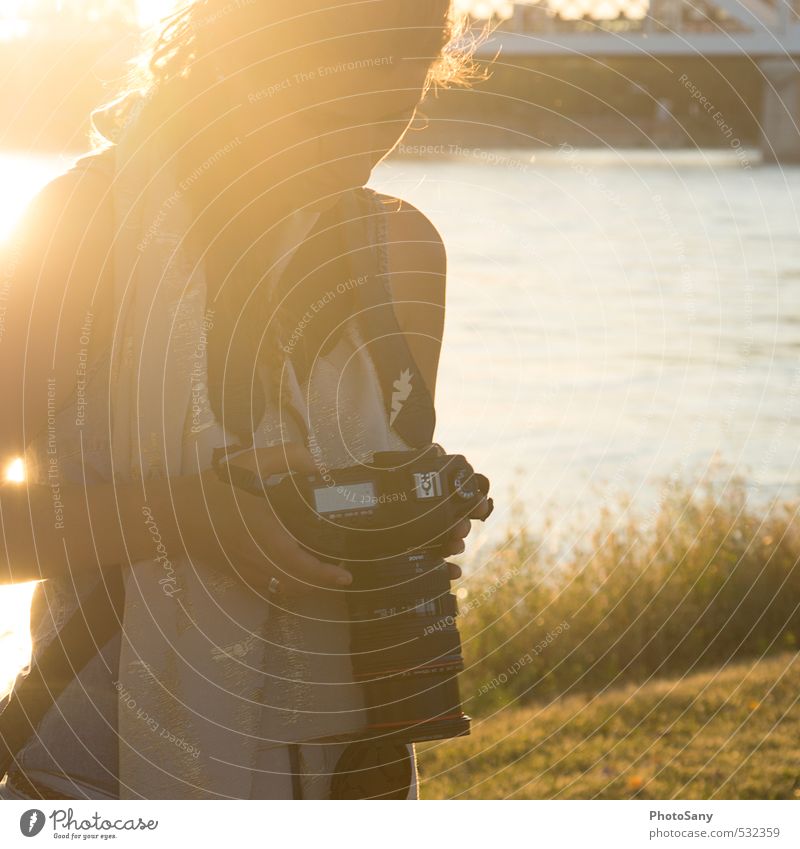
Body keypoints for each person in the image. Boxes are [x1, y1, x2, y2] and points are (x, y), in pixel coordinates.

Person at [0, 0, 487, 800]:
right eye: (329, 110)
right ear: (241, 60)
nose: (361, 150)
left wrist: (411, 509)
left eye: (395, 107)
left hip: (358, 778)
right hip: (96, 779)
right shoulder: (80, 229)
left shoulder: (401, 251)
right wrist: (192, 516)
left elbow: (379, 494)